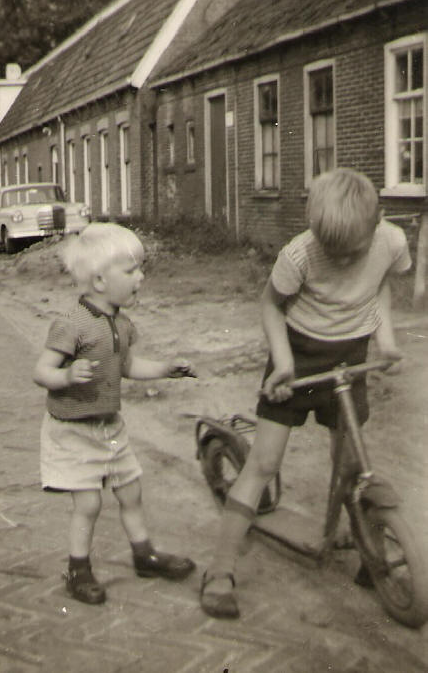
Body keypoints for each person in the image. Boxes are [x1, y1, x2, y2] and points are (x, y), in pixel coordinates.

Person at [199, 167, 411, 619]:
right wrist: (285, 362)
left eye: (351, 254)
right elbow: (271, 306)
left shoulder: (391, 241)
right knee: (264, 463)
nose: (342, 263)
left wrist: (385, 340)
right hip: (297, 353)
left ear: (378, 223)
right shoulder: (299, 255)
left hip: (352, 352)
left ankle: (362, 546)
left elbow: (382, 286)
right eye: (332, 254)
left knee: (350, 460)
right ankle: (219, 570)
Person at [34, 222, 196, 605]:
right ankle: (79, 569)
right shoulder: (71, 324)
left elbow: (127, 367)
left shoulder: (122, 324)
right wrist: (67, 375)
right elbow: (40, 372)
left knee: (131, 491)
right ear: (101, 280)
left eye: (140, 268)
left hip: (110, 427)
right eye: (131, 270)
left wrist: (164, 370)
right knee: (89, 503)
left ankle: (144, 555)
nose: (140, 277)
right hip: (72, 429)